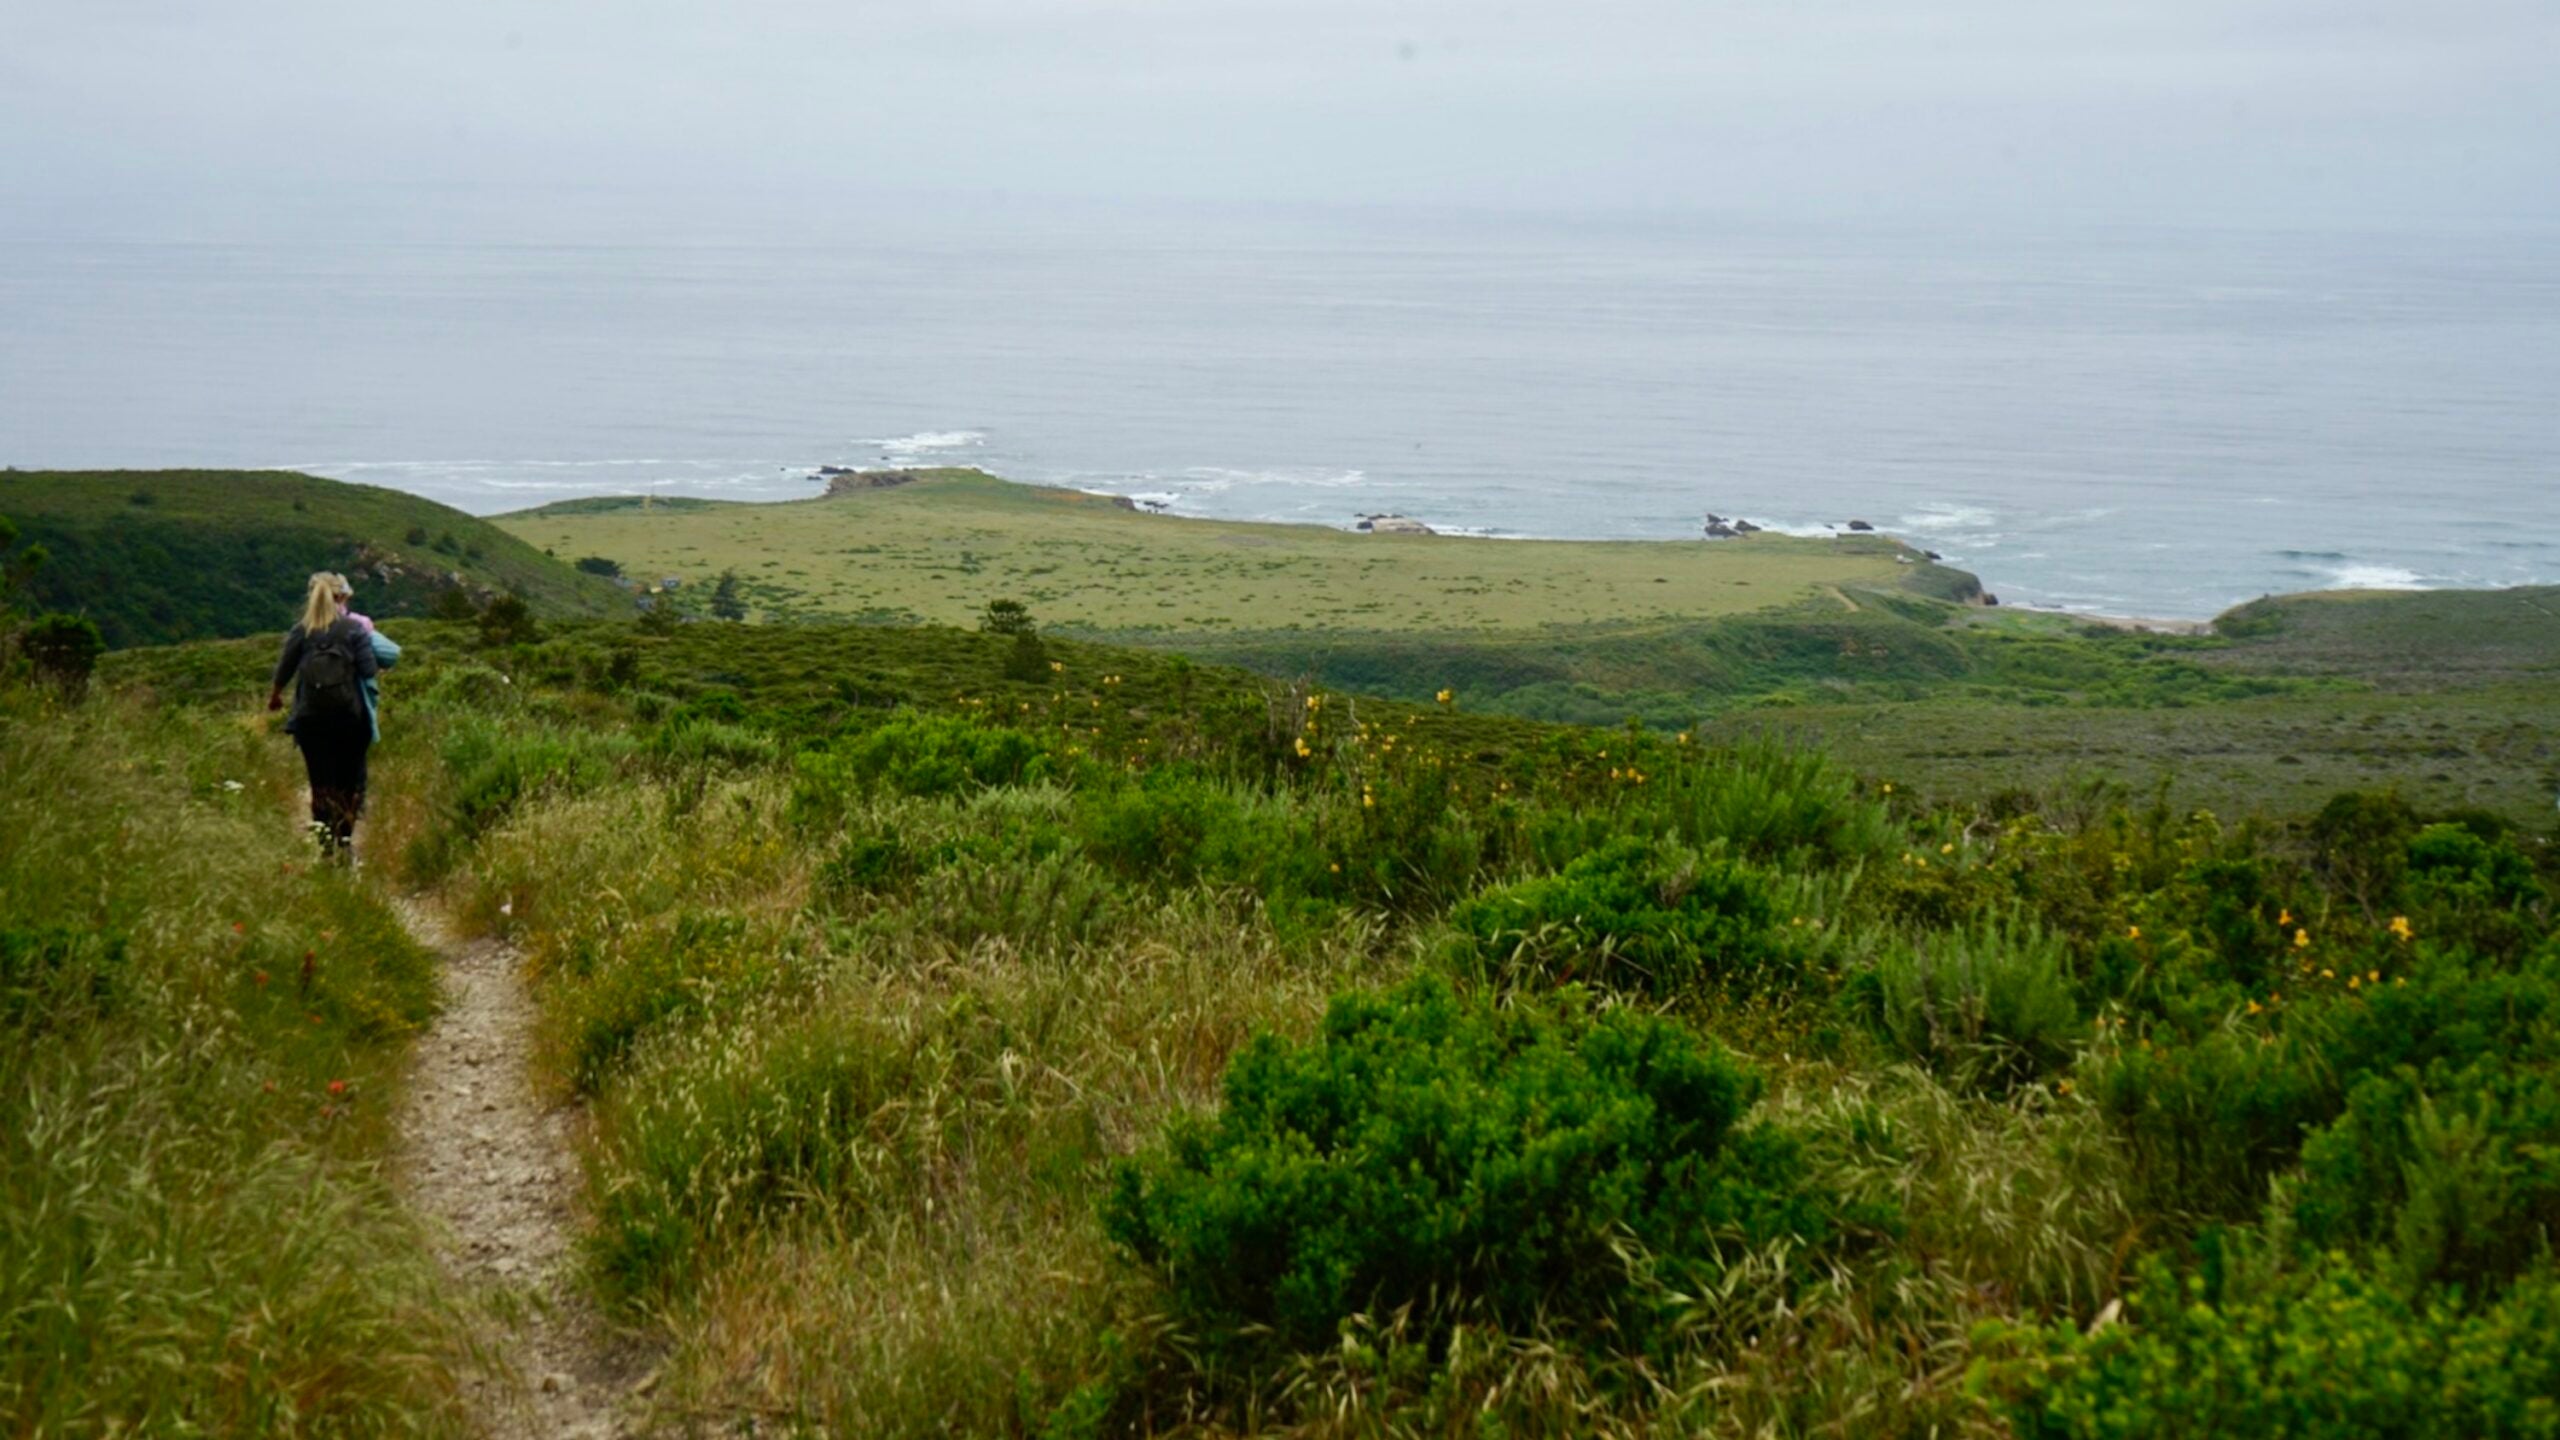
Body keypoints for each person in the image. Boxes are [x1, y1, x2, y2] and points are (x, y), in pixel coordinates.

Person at [267, 572, 386, 857]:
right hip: (349, 720)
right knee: (348, 783)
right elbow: (369, 670)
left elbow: (284, 669)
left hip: (311, 721)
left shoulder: (301, 630)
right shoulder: (353, 629)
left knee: (320, 784)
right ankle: (345, 843)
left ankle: (325, 847)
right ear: (340, 597)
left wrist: (275, 697)